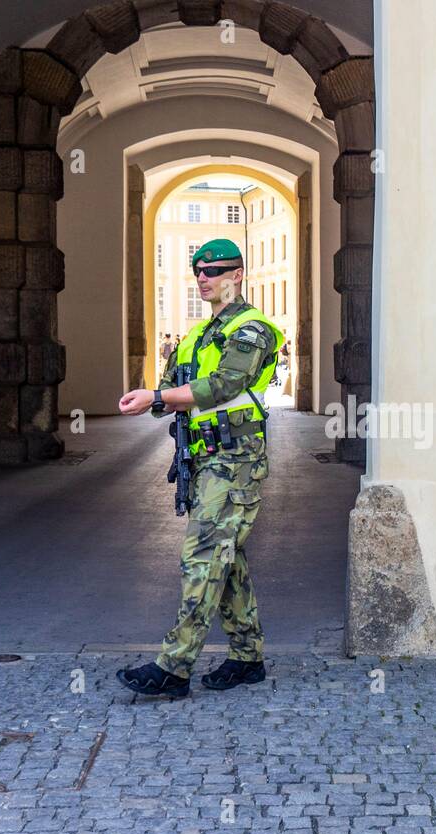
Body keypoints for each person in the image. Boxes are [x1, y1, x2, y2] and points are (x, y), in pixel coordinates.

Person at [116, 239, 285, 699]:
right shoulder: (195, 336)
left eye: (214, 271)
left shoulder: (254, 329)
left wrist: (158, 397)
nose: (204, 279)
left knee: (204, 556)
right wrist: (153, 396)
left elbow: (224, 384)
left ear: (238, 275)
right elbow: (172, 388)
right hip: (201, 456)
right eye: (199, 272)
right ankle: (247, 657)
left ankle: (174, 665)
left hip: (235, 461)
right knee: (224, 558)